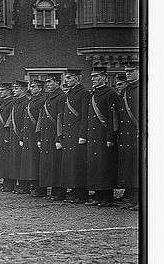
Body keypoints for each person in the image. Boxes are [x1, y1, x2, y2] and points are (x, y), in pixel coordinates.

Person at [85, 66, 122, 207]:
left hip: (104, 136)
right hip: (93, 136)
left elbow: (114, 117)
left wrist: (111, 137)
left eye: (96, 76)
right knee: (95, 166)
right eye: (92, 76)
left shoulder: (110, 94)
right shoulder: (93, 94)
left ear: (105, 78)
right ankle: (98, 197)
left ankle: (107, 198)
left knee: (105, 167)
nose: (93, 79)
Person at [58, 69, 90, 204]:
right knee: (71, 165)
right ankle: (75, 192)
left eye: (70, 78)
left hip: (77, 134)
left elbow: (85, 115)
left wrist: (82, 134)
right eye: (67, 78)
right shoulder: (69, 93)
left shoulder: (83, 93)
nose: (67, 80)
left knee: (78, 165)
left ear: (78, 78)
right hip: (69, 135)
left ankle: (81, 194)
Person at [36, 74, 66, 200]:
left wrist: (59, 138)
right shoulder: (49, 97)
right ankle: (52, 190)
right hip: (46, 135)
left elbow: (61, 118)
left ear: (57, 82)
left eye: (49, 82)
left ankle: (58, 192)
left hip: (54, 135)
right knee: (49, 164)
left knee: (56, 164)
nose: (47, 84)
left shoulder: (61, 97)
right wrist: (40, 137)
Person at [117, 65, 139, 210]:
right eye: (126, 72)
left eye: (131, 71)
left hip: (138, 133)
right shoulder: (126, 91)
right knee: (131, 167)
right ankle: (133, 200)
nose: (128, 74)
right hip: (127, 134)